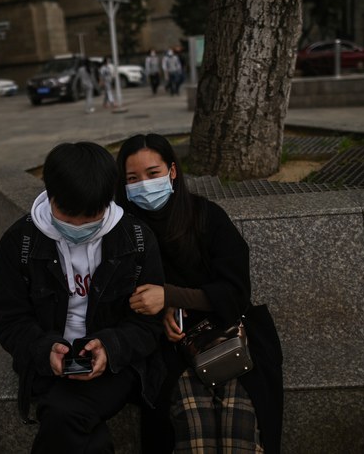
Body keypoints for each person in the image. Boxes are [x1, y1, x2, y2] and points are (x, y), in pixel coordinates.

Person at [0, 141, 166, 453]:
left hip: (117, 365)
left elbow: (148, 325)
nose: (78, 228)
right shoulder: (20, 242)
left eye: (91, 219)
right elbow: (9, 320)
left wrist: (110, 348)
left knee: (65, 413)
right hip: (45, 361)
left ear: (108, 199)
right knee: (72, 418)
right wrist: (46, 350)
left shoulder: (136, 239)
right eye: (68, 217)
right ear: (50, 195)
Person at [115, 133, 284, 454]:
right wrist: (155, 312)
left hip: (227, 334)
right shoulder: (123, 231)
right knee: (194, 423)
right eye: (132, 179)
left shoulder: (207, 217)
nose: (144, 185)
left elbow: (235, 293)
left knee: (240, 421)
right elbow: (116, 295)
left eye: (153, 174)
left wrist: (169, 296)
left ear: (172, 172)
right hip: (166, 350)